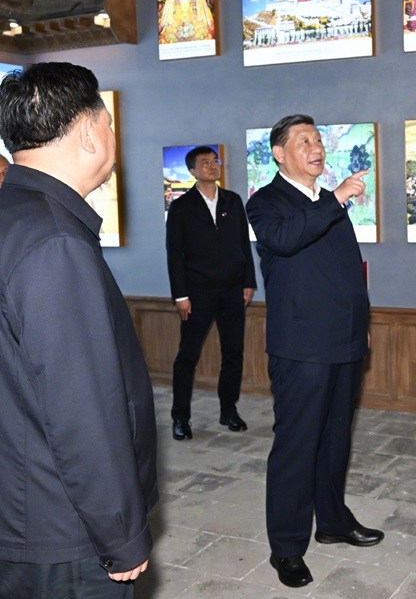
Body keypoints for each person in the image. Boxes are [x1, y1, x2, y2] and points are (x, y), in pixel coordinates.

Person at [0, 62, 158, 597]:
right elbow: (82, 407)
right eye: (108, 123)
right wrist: (121, 533)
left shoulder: (15, 215)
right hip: (63, 529)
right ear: (89, 131)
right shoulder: (55, 241)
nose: (112, 136)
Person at [246, 114, 382, 589]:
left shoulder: (326, 201)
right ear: (279, 153)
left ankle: (333, 521)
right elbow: (286, 240)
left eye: (318, 139)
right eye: (303, 140)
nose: (316, 147)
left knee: (336, 439)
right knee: (297, 447)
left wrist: (361, 327)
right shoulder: (265, 203)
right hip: (302, 348)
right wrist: (338, 198)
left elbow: (347, 272)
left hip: (345, 342)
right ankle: (286, 548)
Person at [166, 145, 256, 441]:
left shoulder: (233, 200)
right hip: (197, 293)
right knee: (187, 357)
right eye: (205, 162)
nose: (212, 165)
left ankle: (228, 410)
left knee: (233, 354)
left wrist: (248, 282)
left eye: (214, 160)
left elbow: (243, 243)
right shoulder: (181, 207)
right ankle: (180, 417)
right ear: (192, 171)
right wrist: (180, 296)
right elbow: (174, 254)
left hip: (232, 290)